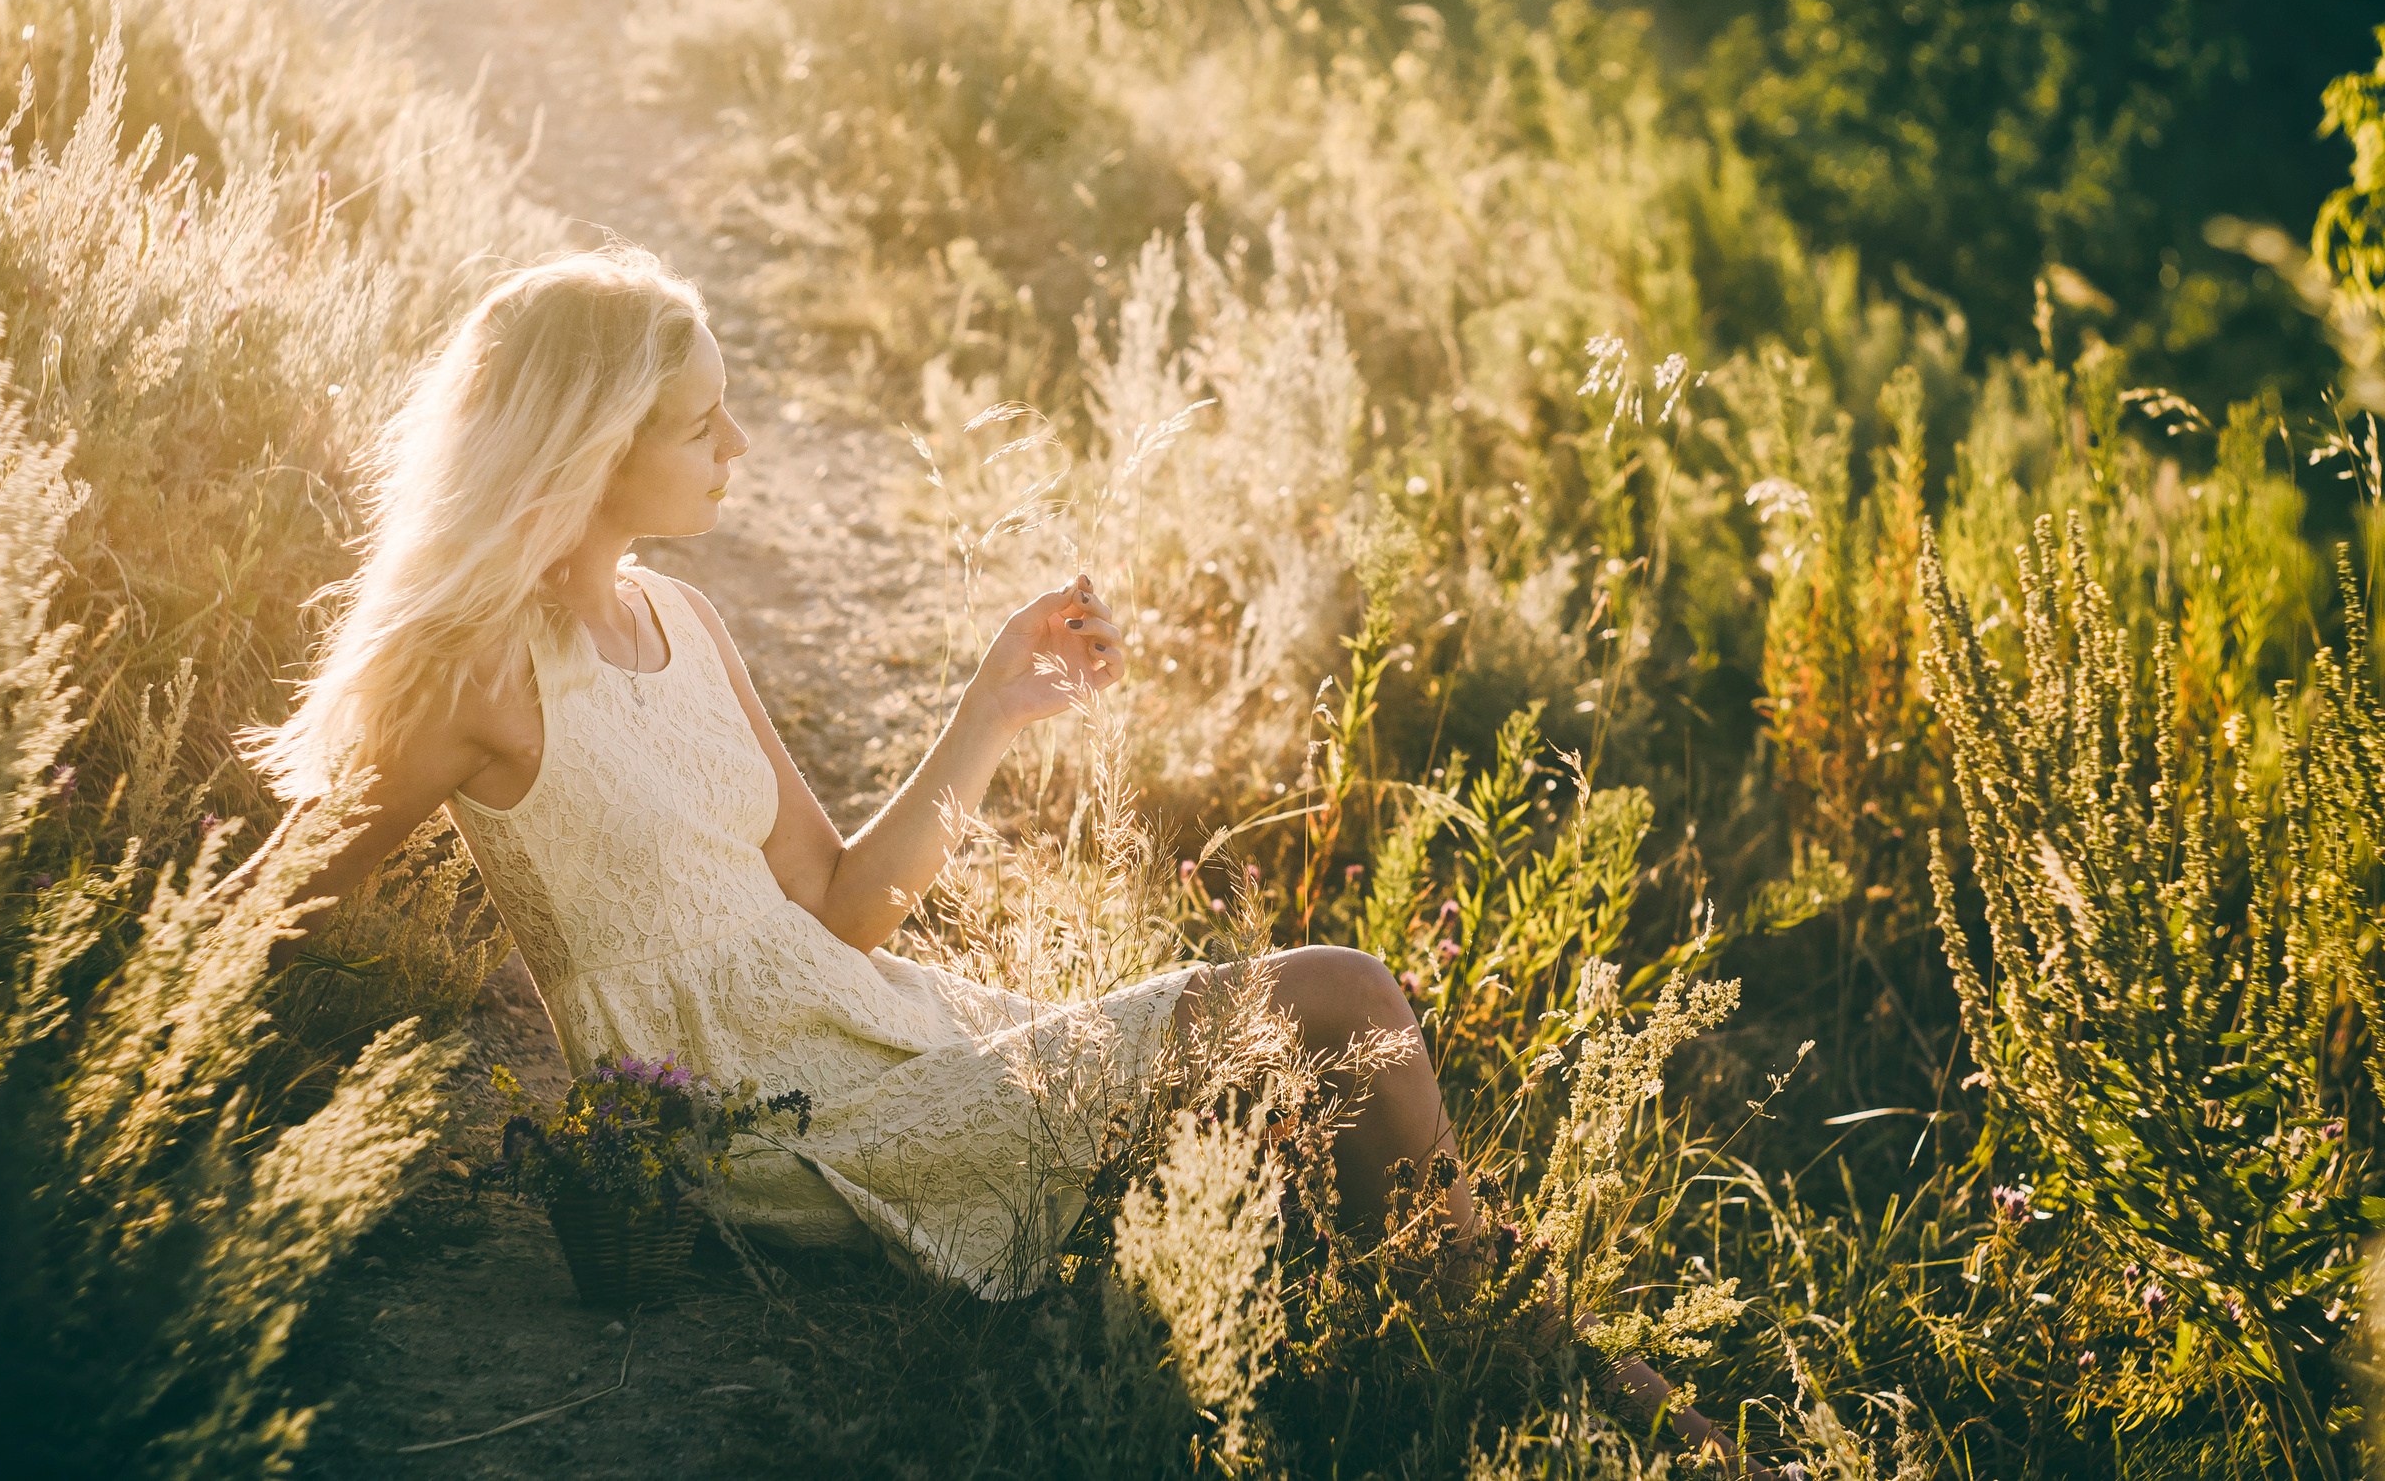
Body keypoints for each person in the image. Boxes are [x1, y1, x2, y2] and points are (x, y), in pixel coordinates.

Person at [249, 246, 1742, 1466]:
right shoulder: (477, 680)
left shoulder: (683, 621)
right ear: (591, 443)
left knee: (1315, 1130)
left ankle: (1537, 1385)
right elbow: (273, 907)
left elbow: (844, 903)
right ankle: (1593, 1396)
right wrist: (235, 1117)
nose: (738, 446)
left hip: (895, 1036)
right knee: (1340, 995)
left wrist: (993, 703)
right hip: (775, 1131)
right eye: (701, 423)